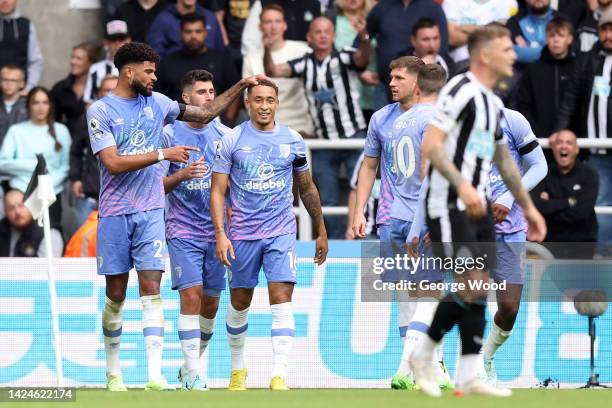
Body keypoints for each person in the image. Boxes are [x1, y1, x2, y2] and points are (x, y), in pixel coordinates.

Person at [85, 41, 264, 391]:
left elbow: (204, 114)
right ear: (128, 72)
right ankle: (113, 371)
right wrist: (163, 154)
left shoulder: (160, 104)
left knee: (151, 290)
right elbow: (112, 163)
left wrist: (241, 85)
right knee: (116, 295)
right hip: (114, 213)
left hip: (151, 211)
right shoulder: (101, 111)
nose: (155, 77)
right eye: (149, 71)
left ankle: (154, 376)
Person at [408, 24, 546, 397]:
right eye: (507, 48)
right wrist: (463, 184)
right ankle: (424, 353)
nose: (514, 54)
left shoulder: (491, 101)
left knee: (477, 289)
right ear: (485, 55)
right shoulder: (459, 90)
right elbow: (432, 147)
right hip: (449, 202)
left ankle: (469, 372)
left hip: (479, 206)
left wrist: (528, 207)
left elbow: (502, 156)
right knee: (472, 285)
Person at [211, 79, 328, 391]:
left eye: (270, 100)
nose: (264, 106)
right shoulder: (231, 140)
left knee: (282, 301)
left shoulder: (292, 140)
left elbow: (306, 187)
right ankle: (238, 369)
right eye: (258, 100)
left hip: (281, 233)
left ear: (277, 103)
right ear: (248, 103)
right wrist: (221, 233)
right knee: (239, 303)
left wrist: (321, 228)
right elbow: (218, 190)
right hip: (242, 235)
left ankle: (279, 375)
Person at [264, 16, 373, 238]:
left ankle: (359, 238)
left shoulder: (344, 57)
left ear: (333, 36)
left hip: (354, 136)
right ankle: (334, 244)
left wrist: (363, 39)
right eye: (318, 32)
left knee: (361, 191)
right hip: (323, 141)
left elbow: (362, 59)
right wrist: (267, 48)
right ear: (309, 38)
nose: (323, 35)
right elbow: (273, 70)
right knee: (327, 199)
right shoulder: (304, 63)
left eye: (327, 31)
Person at [161, 69, 231, 391]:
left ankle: (192, 365)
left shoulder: (226, 136)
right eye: (202, 92)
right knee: (192, 295)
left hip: (217, 230)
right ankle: (193, 372)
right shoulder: (168, 135)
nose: (209, 98)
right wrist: (182, 175)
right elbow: (155, 185)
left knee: (212, 303)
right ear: (186, 99)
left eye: (212, 91)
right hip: (181, 228)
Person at [386, 63, 451, 391]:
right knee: (430, 294)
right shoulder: (432, 120)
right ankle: (404, 368)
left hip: (397, 214)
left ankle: (435, 372)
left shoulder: (400, 121)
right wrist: (428, 219)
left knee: (420, 297)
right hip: (419, 216)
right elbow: (430, 173)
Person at [482, 108, 547, 385]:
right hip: (471, 227)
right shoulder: (453, 121)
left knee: (509, 308)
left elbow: (540, 166)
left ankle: (486, 358)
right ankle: (452, 367)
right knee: (467, 298)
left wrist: (509, 197)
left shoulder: (513, 120)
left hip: (510, 229)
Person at [555, 7, 612, 248]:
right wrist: (560, 132)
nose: (608, 35)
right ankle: (600, 256)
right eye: (605, 29)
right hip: (595, 149)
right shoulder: (587, 58)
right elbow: (571, 98)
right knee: (599, 203)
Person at [0, 87, 71, 230]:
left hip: (51, 194)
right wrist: (37, 166)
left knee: (49, 238)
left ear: (50, 106)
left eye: (45, 102)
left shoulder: (61, 130)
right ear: (28, 106)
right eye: (35, 103)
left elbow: (67, 166)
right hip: (20, 195)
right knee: (19, 242)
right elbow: (2, 162)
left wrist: (48, 184)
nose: (40, 107)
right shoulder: (16, 130)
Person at [242, 4, 313, 137]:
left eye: (277, 21)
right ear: (260, 27)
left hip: (300, 129)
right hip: (265, 130)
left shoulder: (303, 51)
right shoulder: (250, 58)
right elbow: (248, 100)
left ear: (284, 25)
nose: (273, 27)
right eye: (268, 22)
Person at [367, 0, 448, 109]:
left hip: (424, 89)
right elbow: (362, 38)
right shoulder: (381, 7)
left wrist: (426, 69)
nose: (431, 43)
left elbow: (443, 49)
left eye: (434, 39)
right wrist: (361, 71)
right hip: (384, 86)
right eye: (426, 39)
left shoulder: (433, 8)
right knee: (382, 125)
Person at [155, 13, 240, 116]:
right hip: (176, 126)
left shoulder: (222, 60)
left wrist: (228, 124)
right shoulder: (167, 63)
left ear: (205, 33)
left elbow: (235, 94)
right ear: (181, 33)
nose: (193, 36)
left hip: (216, 125)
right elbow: (157, 98)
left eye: (198, 31)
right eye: (188, 32)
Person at [531, 130, 599, 258]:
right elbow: (535, 205)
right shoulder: (542, 174)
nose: (563, 146)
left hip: (582, 242)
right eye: (559, 142)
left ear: (576, 149)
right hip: (549, 243)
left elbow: (581, 213)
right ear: (553, 147)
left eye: (569, 143)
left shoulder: (590, 174)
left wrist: (549, 206)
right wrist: (569, 202)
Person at [515, 16, 575, 141]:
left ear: (569, 39)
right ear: (546, 38)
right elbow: (523, 104)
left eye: (560, 35)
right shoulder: (533, 69)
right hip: (540, 140)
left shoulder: (577, 67)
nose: (556, 40)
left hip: (572, 141)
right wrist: (533, 132)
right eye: (552, 36)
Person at [70, 75, 118, 227]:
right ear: (98, 94)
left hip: (119, 197)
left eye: (114, 90)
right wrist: (75, 178)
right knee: (83, 244)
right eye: (107, 90)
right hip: (91, 195)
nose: (111, 94)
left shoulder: (129, 118)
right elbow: (76, 151)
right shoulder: (89, 116)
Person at [443, 0, 517, 72]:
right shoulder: (452, 1)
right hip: (457, 64)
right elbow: (451, 37)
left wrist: (464, 29)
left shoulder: (508, 2)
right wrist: (488, 28)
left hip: (494, 63)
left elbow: (500, 37)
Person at [51, 42, 101, 139]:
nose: (73, 62)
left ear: (91, 62)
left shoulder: (99, 88)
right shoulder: (60, 88)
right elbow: (53, 119)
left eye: (79, 59)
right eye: (72, 57)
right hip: (67, 142)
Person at [240, 0, 321, 57]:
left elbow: (319, 38)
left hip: (305, 61)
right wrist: (257, 63)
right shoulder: (263, 2)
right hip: (269, 61)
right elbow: (249, 41)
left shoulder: (314, 4)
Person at [147, 0, 225, 58]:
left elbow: (221, 53)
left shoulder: (210, 18)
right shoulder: (163, 20)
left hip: (209, 74)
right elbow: (155, 57)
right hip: (175, 74)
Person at [0, 189, 64, 257]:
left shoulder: (49, 233)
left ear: (30, 206)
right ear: (5, 212)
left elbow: (47, 266)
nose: (17, 212)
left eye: (21, 205)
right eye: (11, 208)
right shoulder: (2, 228)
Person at [0, 0, 43, 91]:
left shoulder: (26, 25)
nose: (5, 1)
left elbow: (36, 62)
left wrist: (28, 89)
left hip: (19, 95)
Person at [83, 20, 130, 103]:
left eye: (121, 39)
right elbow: (89, 101)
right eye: (113, 40)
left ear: (128, 41)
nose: (117, 44)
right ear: (106, 43)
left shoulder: (137, 68)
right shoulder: (95, 70)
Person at [506, 0, 558, 66]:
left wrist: (530, 49)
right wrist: (553, 50)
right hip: (523, 73)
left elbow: (569, 52)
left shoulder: (562, 20)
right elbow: (515, 53)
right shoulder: (514, 22)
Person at [0, 64, 27, 148]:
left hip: (21, 154)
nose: (9, 84)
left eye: (13, 80)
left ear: (22, 83)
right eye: (5, 80)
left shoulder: (29, 105)